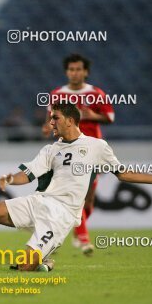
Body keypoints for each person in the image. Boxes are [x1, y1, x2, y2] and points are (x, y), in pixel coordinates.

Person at [0, 103, 152, 271]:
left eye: (55, 118)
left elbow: (123, 174)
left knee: (24, 267)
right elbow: (29, 174)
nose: (50, 122)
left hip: (62, 214)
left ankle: (45, 258)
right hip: (40, 201)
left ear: (71, 121)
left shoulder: (96, 146)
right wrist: (10, 179)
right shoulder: (51, 149)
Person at [41, 54, 114, 255]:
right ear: (67, 72)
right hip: (68, 152)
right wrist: (48, 127)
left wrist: (93, 116)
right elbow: (51, 117)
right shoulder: (57, 93)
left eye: (79, 69)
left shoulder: (96, 94)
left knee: (88, 201)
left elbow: (110, 117)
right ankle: (83, 239)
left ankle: (59, 233)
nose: (75, 73)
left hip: (93, 151)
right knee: (76, 197)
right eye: (71, 69)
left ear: (86, 72)